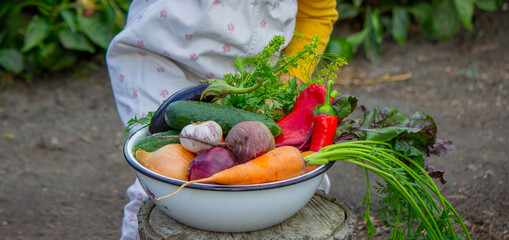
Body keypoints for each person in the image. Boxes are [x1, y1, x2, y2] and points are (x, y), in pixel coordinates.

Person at [106, 0, 338, 239]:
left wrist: (287, 80)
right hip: (161, 59)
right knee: (162, 188)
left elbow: (316, 12)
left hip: (255, 78)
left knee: (289, 186)